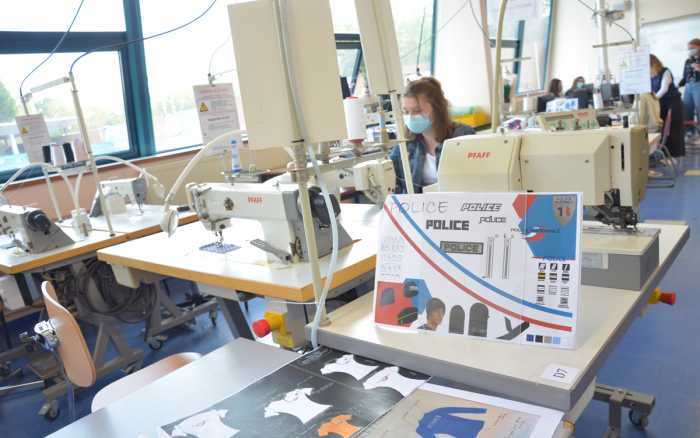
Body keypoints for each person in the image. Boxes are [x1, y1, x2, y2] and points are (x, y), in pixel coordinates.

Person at [390, 77, 475, 194]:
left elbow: (475, 181)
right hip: (423, 208)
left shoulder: (463, 136)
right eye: (406, 112)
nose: (410, 117)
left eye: (417, 110)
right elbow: (395, 187)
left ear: (437, 108)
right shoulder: (404, 146)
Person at [651, 54, 685, 156]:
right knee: (661, 130)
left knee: (673, 130)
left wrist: (653, 99)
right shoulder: (649, 75)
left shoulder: (665, 71)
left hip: (673, 103)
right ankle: (662, 153)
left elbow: (664, 89)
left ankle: (675, 154)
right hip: (660, 103)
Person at [680, 38, 700, 137]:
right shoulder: (688, 60)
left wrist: (698, 68)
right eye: (689, 48)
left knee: (699, 107)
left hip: (698, 84)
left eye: (692, 48)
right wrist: (678, 85)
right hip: (688, 85)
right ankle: (689, 131)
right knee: (687, 108)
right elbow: (684, 76)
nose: (690, 50)